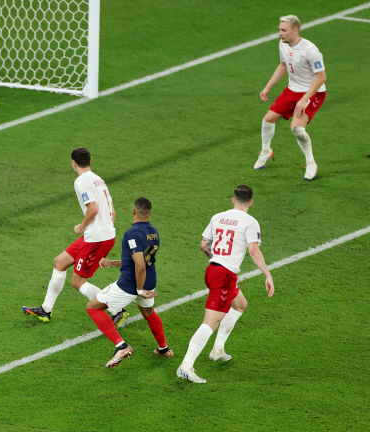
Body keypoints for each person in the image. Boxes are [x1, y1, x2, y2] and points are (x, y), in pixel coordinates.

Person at [177, 185, 275, 384]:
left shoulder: (218, 217)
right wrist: (267, 274)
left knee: (240, 305)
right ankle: (185, 367)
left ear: (233, 200)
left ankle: (217, 349)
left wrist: (218, 261)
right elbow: (253, 250)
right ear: (251, 202)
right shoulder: (250, 222)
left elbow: (204, 244)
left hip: (213, 270)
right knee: (210, 323)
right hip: (224, 276)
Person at [22, 147, 127, 324]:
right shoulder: (99, 180)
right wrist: (104, 229)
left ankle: (117, 309)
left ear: (73, 162)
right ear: (90, 161)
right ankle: (45, 310)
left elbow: (93, 208)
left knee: (77, 282)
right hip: (98, 235)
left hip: (96, 238)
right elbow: (113, 212)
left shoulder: (81, 182)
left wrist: (81, 226)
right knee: (59, 262)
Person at [87, 197, 174, 368]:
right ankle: (164, 349)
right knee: (149, 312)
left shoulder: (132, 234)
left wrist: (139, 290)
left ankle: (121, 346)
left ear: (133, 212)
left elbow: (140, 266)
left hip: (131, 284)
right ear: (150, 213)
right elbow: (138, 261)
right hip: (149, 281)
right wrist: (112, 262)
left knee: (93, 307)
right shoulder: (154, 232)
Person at [255, 15, 327, 180]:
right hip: (293, 90)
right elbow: (283, 65)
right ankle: (266, 151)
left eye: (283, 30)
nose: (280, 33)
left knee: (297, 128)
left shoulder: (310, 50)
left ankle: (311, 164)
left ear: (295, 30)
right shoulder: (283, 43)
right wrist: (268, 86)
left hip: (313, 92)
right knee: (268, 120)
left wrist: (304, 99)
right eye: (280, 29)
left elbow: (321, 78)